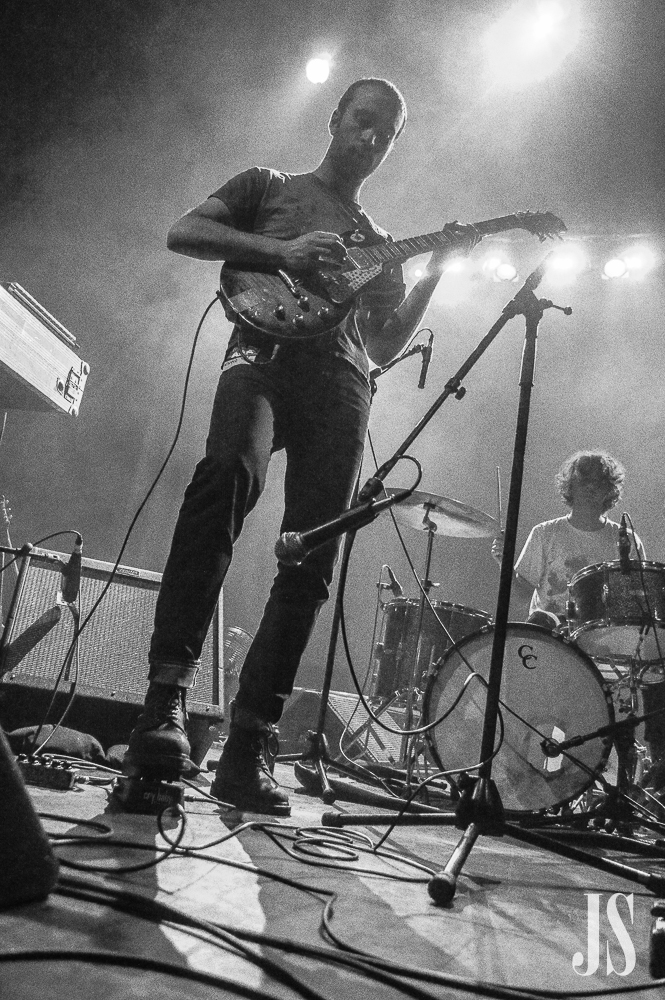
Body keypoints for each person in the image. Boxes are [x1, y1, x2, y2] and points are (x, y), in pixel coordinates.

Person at [124, 78, 478, 814]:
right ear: (336, 118)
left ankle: (249, 744)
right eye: (363, 121)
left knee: (313, 552)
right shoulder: (268, 185)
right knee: (224, 477)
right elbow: (184, 231)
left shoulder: (380, 247)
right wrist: (283, 251)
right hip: (260, 355)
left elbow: (383, 345)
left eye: (386, 133)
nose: (371, 139)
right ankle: (164, 702)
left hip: (342, 384)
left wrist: (435, 273)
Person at [492, 450, 665, 783]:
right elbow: (522, 592)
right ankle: (527, 775)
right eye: (582, 481)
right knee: (536, 628)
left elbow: (639, 605)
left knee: (635, 697)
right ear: (569, 487)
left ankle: (628, 789)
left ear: (609, 490)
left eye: (597, 482)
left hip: (606, 647)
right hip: (553, 637)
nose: (589, 488)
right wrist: (504, 564)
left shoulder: (625, 540)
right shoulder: (546, 533)